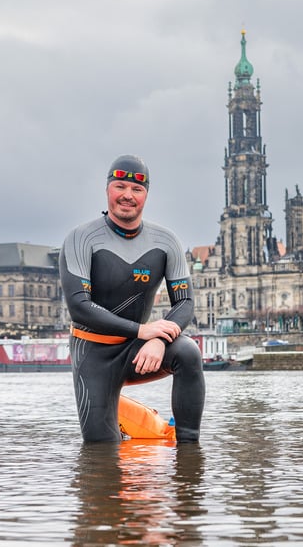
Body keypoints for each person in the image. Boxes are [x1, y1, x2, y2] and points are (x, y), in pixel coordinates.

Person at [59, 154, 205, 443]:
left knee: (188, 352)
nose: (128, 195)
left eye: (137, 189)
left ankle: (188, 459)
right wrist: (143, 330)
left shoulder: (166, 242)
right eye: (120, 187)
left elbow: (185, 303)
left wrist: (159, 339)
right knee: (101, 449)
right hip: (93, 355)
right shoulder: (81, 239)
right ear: (107, 190)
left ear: (146, 195)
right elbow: (79, 307)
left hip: (137, 351)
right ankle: (128, 434)